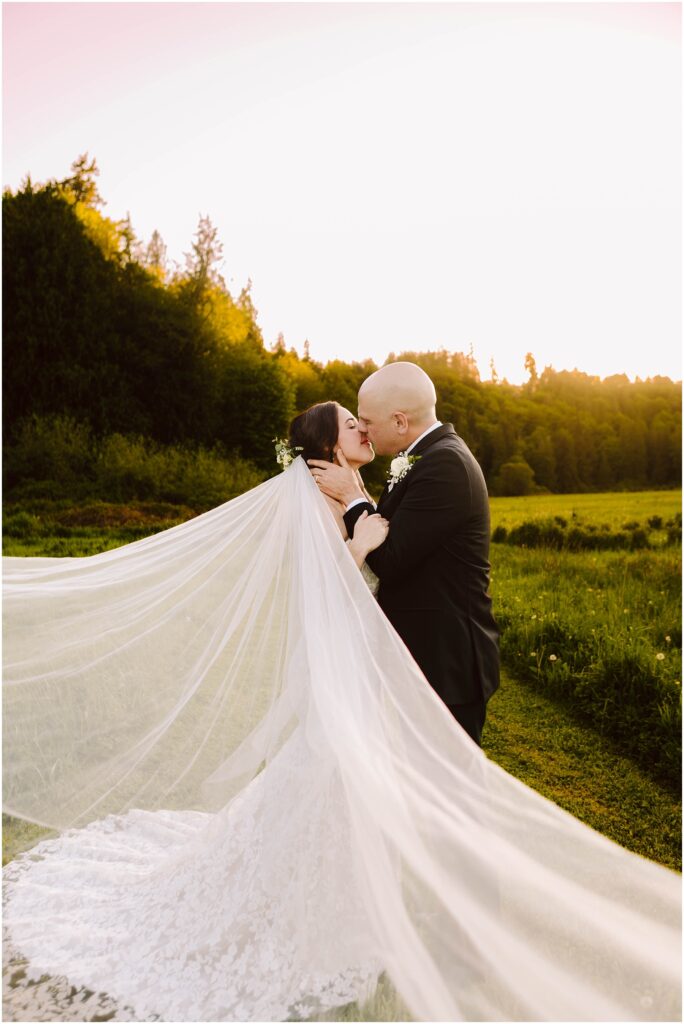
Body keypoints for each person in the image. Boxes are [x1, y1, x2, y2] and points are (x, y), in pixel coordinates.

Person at [2, 398, 680, 1024]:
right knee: (337, 775)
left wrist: (362, 517)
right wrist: (360, 541)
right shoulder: (323, 495)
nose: (362, 427)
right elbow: (329, 576)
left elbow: (382, 556)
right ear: (328, 447)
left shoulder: (351, 487)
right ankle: (341, 914)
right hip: (348, 652)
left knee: (343, 778)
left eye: (364, 420)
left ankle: (376, 907)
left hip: (368, 652)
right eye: (350, 425)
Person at [308, 362, 499, 745]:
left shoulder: (445, 464)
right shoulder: (426, 457)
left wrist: (352, 496)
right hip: (418, 660)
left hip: (445, 664)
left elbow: (390, 559)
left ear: (399, 422)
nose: (364, 430)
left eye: (367, 421)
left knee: (445, 777)